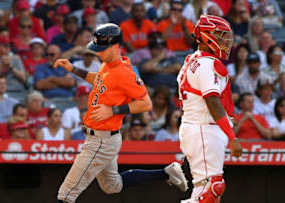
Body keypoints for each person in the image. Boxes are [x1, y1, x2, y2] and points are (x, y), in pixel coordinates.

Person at [54, 23, 187, 203]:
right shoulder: (108, 65)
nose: (97, 53)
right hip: (104, 138)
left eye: (101, 49)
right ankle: (166, 173)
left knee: (65, 195)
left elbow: (146, 103)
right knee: (112, 186)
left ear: (115, 46)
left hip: (101, 140)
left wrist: (114, 110)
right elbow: (99, 80)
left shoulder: (124, 72)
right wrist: (73, 69)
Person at [176, 15, 242, 203]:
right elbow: (212, 101)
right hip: (205, 128)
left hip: (197, 127)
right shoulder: (208, 64)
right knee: (211, 189)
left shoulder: (192, 59)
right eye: (220, 35)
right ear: (206, 36)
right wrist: (232, 137)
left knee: (205, 189)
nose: (226, 41)